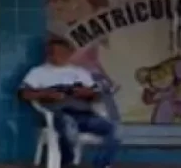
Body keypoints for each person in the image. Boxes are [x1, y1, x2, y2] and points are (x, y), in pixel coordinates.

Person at [20, 38, 119, 168]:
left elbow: (96, 95)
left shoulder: (80, 72)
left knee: (115, 130)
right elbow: (24, 94)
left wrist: (86, 93)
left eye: (61, 52)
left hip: (83, 115)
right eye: (53, 52)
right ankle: (67, 162)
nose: (56, 55)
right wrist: (47, 94)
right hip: (57, 114)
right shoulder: (38, 72)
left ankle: (102, 164)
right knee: (68, 126)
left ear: (68, 53)